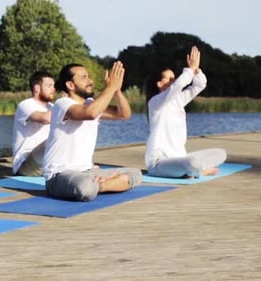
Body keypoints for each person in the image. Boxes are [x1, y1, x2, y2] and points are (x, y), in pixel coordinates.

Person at [42, 62, 142, 202]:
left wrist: (116, 91)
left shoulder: (91, 103)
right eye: (83, 77)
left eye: (88, 77)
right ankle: (101, 184)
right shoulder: (63, 103)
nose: (90, 81)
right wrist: (110, 87)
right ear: (70, 85)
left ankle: (100, 185)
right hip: (59, 175)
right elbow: (90, 114)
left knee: (135, 174)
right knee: (85, 188)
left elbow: (123, 114)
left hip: (88, 172)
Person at [145, 46, 226, 178]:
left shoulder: (178, 100)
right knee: (192, 163)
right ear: (159, 84)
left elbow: (199, 85)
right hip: (159, 164)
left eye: (174, 77)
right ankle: (197, 171)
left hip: (179, 159)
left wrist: (196, 71)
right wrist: (189, 69)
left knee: (220, 153)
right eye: (169, 79)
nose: (174, 80)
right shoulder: (155, 103)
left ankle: (189, 170)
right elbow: (178, 85)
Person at [12, 71, 55, 176]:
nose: (53, 89)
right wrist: (66, 104)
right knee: (56, 139)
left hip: (46, 162)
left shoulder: (52, 107)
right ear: (37, 88)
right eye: (49, 86)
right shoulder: (26, 104)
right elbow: (45, 118)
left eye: (54, 86)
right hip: (25, 164)